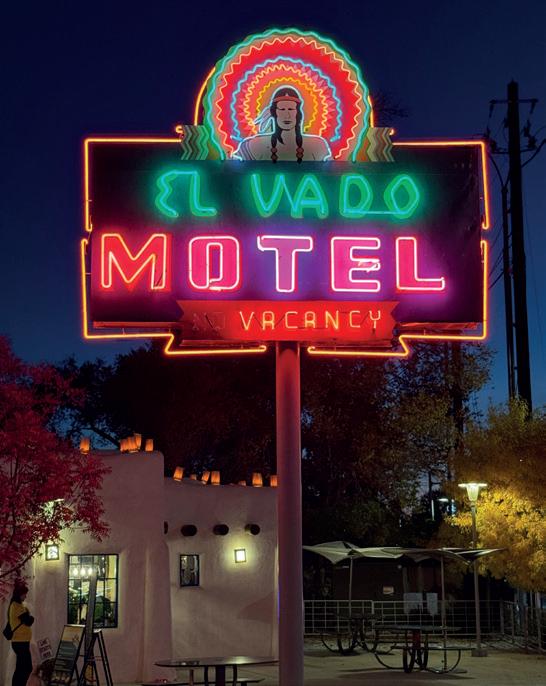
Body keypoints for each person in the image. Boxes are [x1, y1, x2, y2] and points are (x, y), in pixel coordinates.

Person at [234, 86, 332, 162]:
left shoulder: (318, 146)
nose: (287, 115)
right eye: (282, 109)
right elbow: (232, 171)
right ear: (274, 112)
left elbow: (332, 173)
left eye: (291, 109)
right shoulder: (253, 146)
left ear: (298, 113)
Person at [9, 579, 34, 686]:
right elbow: (28, 621)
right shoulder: (16, 606)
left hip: (22, 642)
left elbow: (28, 620)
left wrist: (29, 616)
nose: (26, 596)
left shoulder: (19, 606)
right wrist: (30, 617)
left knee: (23, 668)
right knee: (24, 668)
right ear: (20, 594)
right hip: (20, 642)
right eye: (24, 594)